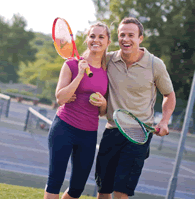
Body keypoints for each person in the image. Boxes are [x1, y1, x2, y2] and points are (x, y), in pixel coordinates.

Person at [95, 17, 176, 199]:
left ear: (141, 38)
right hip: (112, 131)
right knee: (103, 189)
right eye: (122, 35)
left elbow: (169, 95)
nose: (126, 39)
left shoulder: (155, 64)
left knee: (122, 190)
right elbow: (88, 64)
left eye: (131, 35)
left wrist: (164, 120)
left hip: (139, 135)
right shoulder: (108, 60)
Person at [44, 22, 111, 199]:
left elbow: (103, 112)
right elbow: (61, 98)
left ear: (108, 42)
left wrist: (103, 103)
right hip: (64, 128)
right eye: (92, 36)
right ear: (87, 39)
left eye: (101, 37)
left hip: (88, 134)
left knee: (77, 188)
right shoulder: (71, 65)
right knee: (54, 182)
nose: (96, 40)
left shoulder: (107, 72)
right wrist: (80, 75)